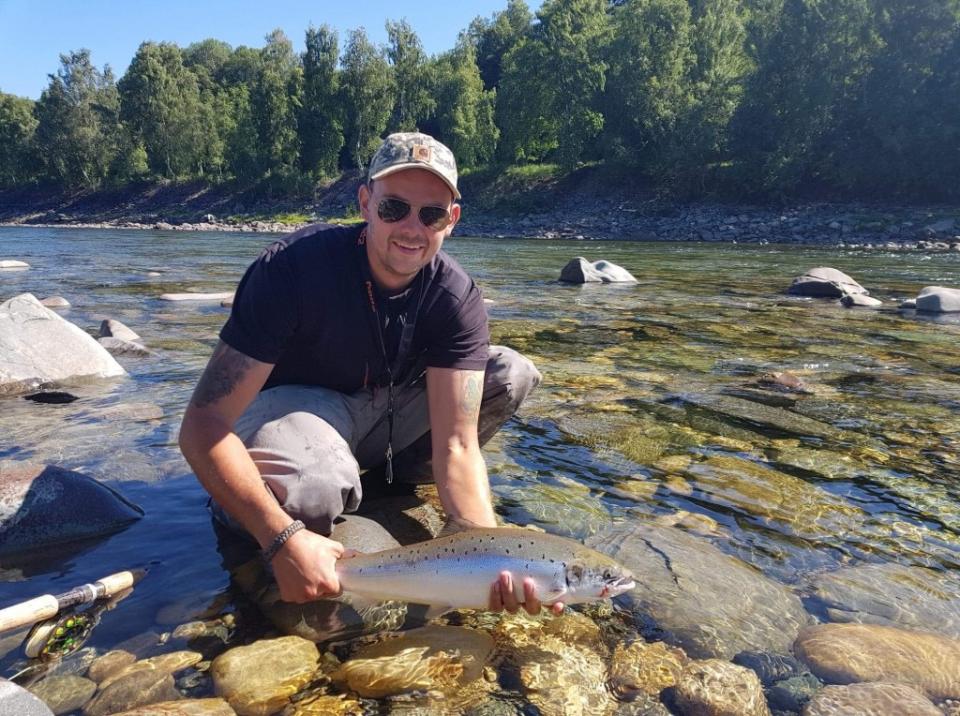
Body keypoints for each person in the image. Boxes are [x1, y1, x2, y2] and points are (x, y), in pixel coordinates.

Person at [179, 132, 557, 616]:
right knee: (312, 487)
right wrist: (280, 539)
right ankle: (257, 496)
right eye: (394, 208)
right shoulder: (292, 271)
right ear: (364, 202)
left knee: (509, 372)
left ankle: (386, 481)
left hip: (389, 414)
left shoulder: (456, 298)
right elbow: (202, 427)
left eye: (431, 214)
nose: (411, 228)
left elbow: (458, 446)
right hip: (300, 405)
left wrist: (488, 557)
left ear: (452, 221)